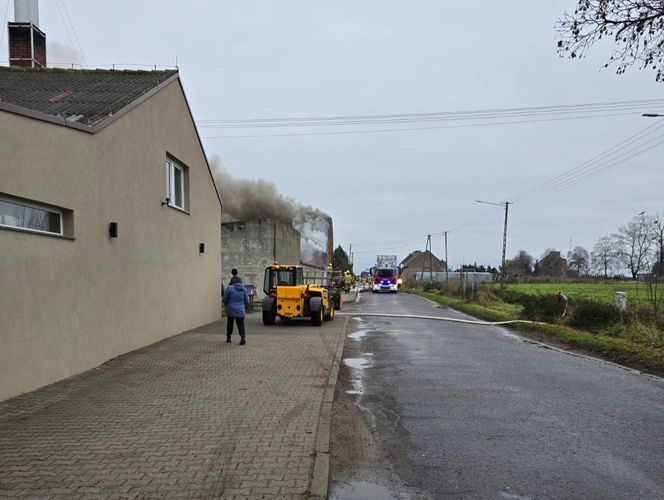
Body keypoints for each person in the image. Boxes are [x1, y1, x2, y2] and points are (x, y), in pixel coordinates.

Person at [223, 271, 249, 345]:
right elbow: (246, 300)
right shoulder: (244, 289)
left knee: (230, 324)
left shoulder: (229, 288)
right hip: (240, 310)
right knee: (241, 324)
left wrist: (227, 305)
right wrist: (243, 307)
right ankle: (243, 338)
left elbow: (224, 299)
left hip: (230, 309)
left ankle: (228, 338)